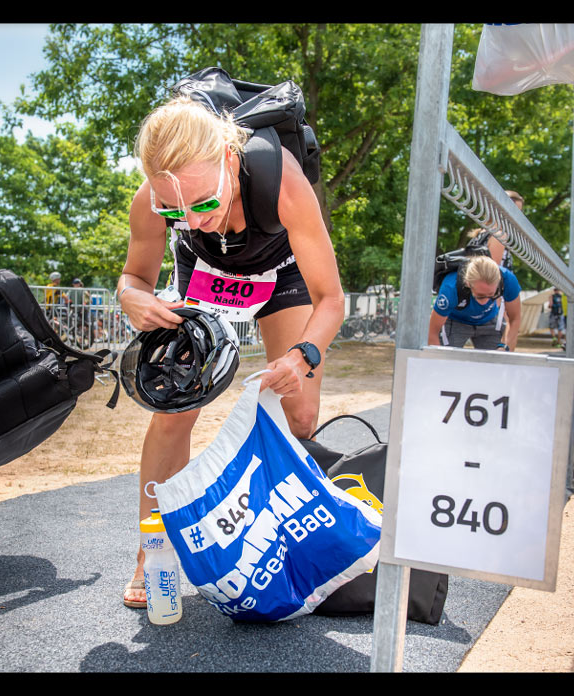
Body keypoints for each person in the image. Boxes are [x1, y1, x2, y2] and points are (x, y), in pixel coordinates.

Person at [116, 94, 345, 608]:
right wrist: (132, 297)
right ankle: (152, 550)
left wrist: (303, 354)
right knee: (176, 410)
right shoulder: (153, 200)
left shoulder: (281, 180)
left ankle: (267, 533)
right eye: (174, 209)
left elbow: (332, 299)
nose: (191, 219)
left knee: (300, 415)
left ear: (229, 155)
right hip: (205, 273)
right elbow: (133, 277)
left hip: (280, 269)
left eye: (202, 202)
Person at [428, 255, 522, 351]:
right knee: (447, 358)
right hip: (455, 320)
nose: (484, 302)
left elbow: (515, 319)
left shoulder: (508, 280)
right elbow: (432, 332)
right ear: (468, 283)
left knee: (499, 361)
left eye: (492, 295)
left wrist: (505, 347)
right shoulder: (451, 288)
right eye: (480, 296)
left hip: (490, 318)